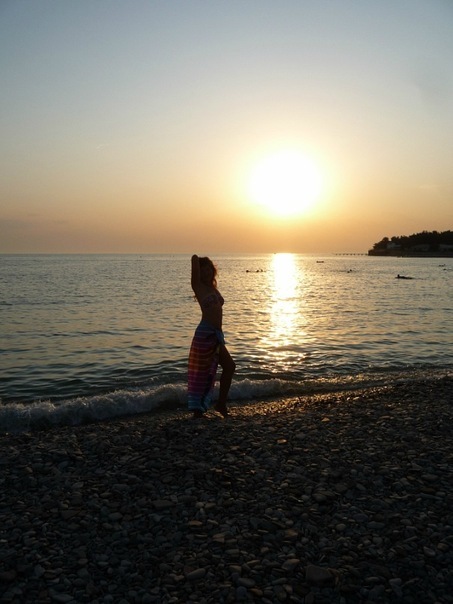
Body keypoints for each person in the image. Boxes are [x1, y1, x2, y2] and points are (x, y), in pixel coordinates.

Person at [188, 254, 236, 419]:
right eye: (203, 270)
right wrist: (198, 260)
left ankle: (220, 404)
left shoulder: (212, 288)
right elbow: (194, 259)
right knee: (203, 373)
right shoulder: (198, 287)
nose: (207, 272)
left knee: (228, 367)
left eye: (209, 269)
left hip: (216, 334)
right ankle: (199, 410)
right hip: (205, 334)